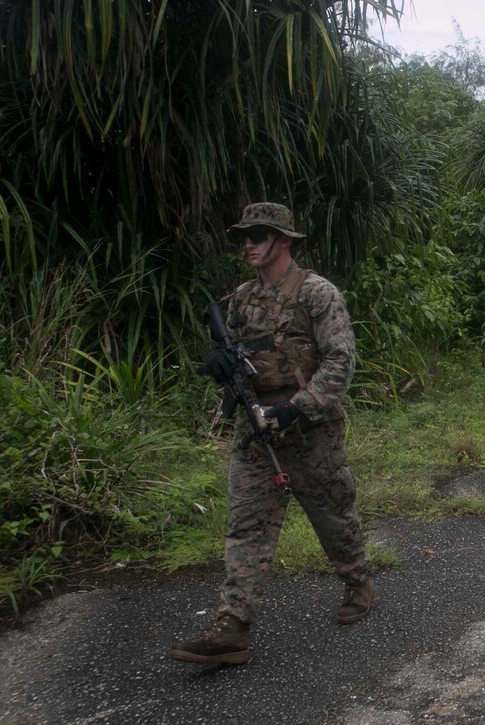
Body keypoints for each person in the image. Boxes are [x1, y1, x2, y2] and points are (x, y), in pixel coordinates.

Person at [169, 202, 373, 666]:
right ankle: (232, 627)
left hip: (309, 431)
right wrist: (218, 365)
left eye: (258, 235)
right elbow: (239, 359)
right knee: (247, 524)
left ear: (283, 240)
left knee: (332, 517)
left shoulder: (317, 293)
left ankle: (358, 579)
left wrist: (295, 409)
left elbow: (341, 364)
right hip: (256, 429)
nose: (249, 243)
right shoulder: (240, 298)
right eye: (246, 234)